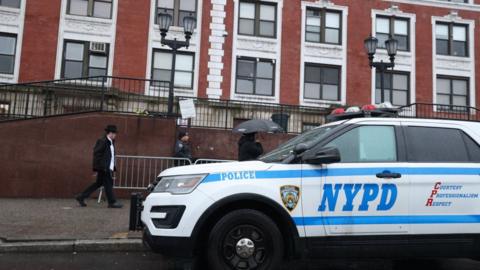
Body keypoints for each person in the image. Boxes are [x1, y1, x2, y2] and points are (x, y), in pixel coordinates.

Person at [75, 125, 123, 208]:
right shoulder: (103, 141)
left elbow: (110, 155)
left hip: (107, 167)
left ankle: (81, 197)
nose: (115, 135)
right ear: (110, 133)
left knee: (98, 183)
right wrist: (101, 167)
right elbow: (97, 154)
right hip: (104, 168)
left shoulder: (110, 142)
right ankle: (112, 202)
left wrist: (111, 167)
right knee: (108, 184)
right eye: (114, 133)